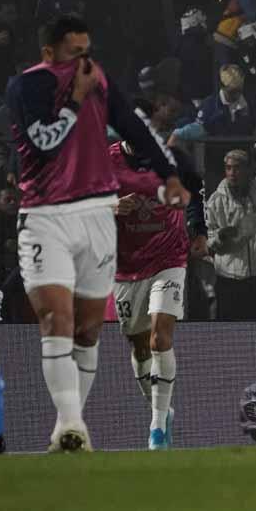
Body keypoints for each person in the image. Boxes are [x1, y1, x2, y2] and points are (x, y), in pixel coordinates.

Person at [6, 14, 190, 453]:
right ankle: (70, 425)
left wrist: (168, 173)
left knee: (89, 329)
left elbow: (133, 125)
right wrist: (74, 99)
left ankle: (135, 426)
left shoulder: (98, 83)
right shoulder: (27, 88)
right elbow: (45, 143)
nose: (85, 61)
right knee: (57, 319)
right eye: (76, 52)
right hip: (46, 215)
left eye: (88, 51)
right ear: (49, 53)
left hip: (98, 222)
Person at [109, 138, 206, 450]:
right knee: (140, 347)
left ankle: (157, 428)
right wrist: (112, 206)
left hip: (169, 259)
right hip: (126, 266)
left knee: (159, 338)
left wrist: (199, 229)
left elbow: (194, 191)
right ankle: (162, 412)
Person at [205, 150, 256, 320]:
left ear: (248, 170)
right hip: (227, 277)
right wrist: (220, 236)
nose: (232, 173)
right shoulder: (215, 201)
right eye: (228, 168)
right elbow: (208, 240)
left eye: (237, 168)